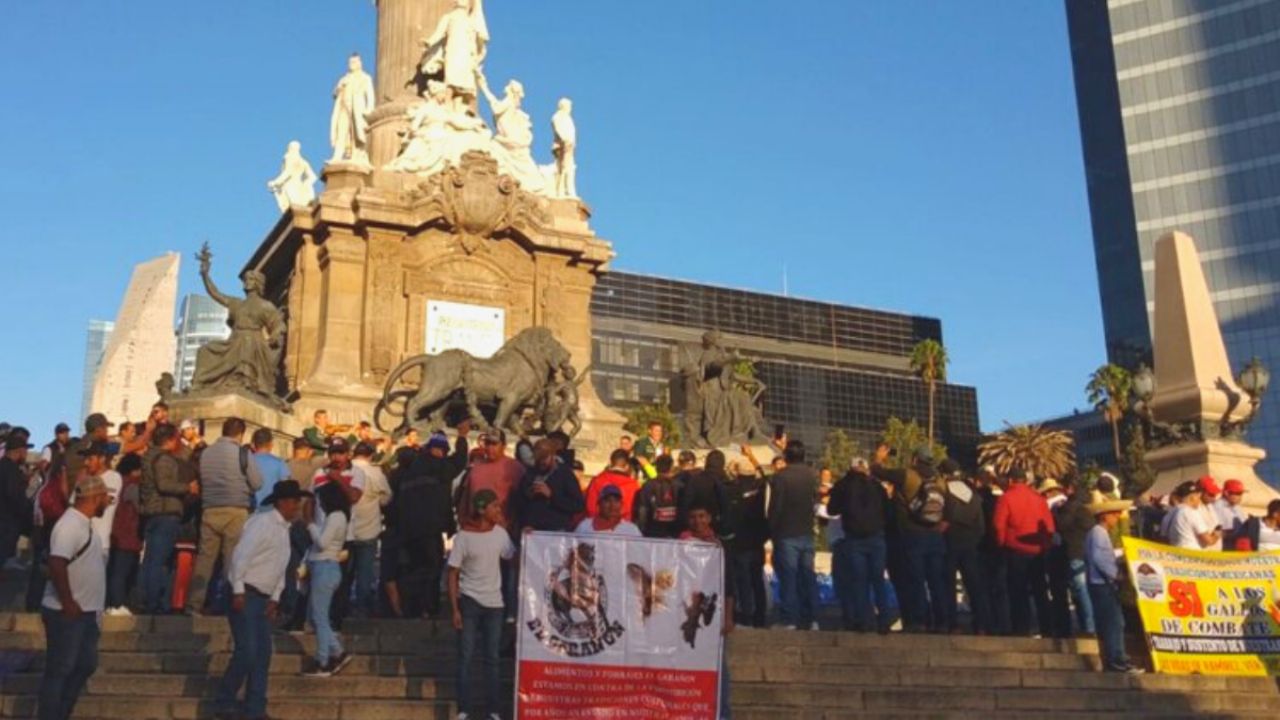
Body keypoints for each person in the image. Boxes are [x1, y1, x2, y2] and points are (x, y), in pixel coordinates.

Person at [215, 479, 308, 720]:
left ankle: (255, 708)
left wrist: (275, 597)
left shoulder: (283, 530)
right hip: (246, 591)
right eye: (296, 502)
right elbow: (241, 557)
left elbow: (279, 567)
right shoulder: (262, 523)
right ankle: (225, 699)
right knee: (248, 650)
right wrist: (237, 589)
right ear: (284, 502)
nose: (298, 507)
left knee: (262, 653)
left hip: (264, 595)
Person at [37, 473, 112, 720]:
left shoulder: (84, 524)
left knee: (85, 665)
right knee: (60, 669)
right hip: (66, 612)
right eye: (105, 498)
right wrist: (67, 601)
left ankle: (60, 713)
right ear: (95, 497)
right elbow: (57, 562)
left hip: (86, 611)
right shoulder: (69, 525)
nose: (107, 503)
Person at [449, 489, 515, 720]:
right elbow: (453, 573)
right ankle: (464, 707)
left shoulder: (500, 534)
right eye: (494, 507)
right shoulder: (464, 536)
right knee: (466, 656)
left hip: (494, 603)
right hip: (469, 601)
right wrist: (455, 608)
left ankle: (494, 709)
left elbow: (512, 557)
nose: (498, 511)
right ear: (481, 509)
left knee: (492, 657)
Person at [190, 418, 264, 614]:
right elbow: (257, 483)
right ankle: (227, 603)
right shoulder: (242, 453)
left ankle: (194, 603)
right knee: (232, 560)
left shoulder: (206, 453)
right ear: (240, 434)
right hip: (236, 510)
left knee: (205, 559)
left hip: (209, 509)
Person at [874, 448, 949, 633]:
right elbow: (948, 506)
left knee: (915, 580)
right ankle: (942, 622)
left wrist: (878, 458)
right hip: (935, 535)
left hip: (912, 534)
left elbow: (878, 472)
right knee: (936, 582)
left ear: (915, 459)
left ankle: (919, 621)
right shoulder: (940, 480)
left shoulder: (907, 475)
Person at [400, 429, 468, 618]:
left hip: (409, 529)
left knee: (414, 569)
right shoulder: (438, 467)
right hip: (429, 528)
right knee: (431, 568)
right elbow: (459, 461)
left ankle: (412, 609)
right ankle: (429, 608)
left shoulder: (412, 468)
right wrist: (462, 437)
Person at [680, 503, 733, 720]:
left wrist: (728, 617)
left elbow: (729, 586)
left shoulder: (719, 547)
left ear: (709, 518)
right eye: (693, 517)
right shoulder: (679, 545)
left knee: (720, 671)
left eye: (702, 516)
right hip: (686, 616)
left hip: (712, 617)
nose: (698, 521)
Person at [994, 468, 1055, 637]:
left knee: (1018, 591)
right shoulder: (1039, 499)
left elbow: (999, 525)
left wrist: (1001, 543)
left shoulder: (1006, 498)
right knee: (1040, 590)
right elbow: (1049, 526)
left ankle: (1021, 627)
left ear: (1011, 481)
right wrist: (1045, 546)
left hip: (1015, 549)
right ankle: (1046, 627)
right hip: (1037, 551)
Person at [1084, 497, 1143, 674]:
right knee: (1114, 622)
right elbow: (1099, 558)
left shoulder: (1097, 533)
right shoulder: (1098, 533)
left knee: (1114, 622)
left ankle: (1117, 657)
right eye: (1114, 515)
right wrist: (1116, 575)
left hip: (1100, 583)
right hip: (1103, 584)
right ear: (1104, 516)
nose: (1116, 518)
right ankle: (1117, 659)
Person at [139, 423, 192, 614]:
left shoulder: (149, 456)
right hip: (165, 512)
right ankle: (154, 602)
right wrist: (188, 488)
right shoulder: (164, 459)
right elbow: (164, 484)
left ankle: (151, 599)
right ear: (169, 440)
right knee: (158, 561)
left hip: (153, 513)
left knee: (152, 560)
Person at [769, 440, 819, 631]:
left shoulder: (781, 477)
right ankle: (813, 618)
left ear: (786, 456)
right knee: (808, 576)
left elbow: (776, 507)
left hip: (786, 533)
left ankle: (789, 619)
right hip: (806, 531)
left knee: (788, 577)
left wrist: (772, 529)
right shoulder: (811, 475)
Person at [303, 482, 353, 677]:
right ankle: (337, 651)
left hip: (326, 566)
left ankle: (323, 660)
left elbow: (323, 543)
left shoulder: (336, 517)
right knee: (317, 617)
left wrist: (310, 525)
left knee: (320, 617)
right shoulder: (335, 517)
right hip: (322, 567)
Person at [941, 460, 990, 634]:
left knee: (948, 584)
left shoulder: (945, 492)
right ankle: (981, 625)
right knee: (975, 586)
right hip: (971, 544)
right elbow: (981, 526)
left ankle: (952, 624)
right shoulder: (974, 495)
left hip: (949, 542)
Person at [722, 456, 769, 628]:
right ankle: (760, 615)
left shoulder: (734, 489)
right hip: (757, 541)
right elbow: (766, 477)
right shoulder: (761, 487)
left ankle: (745, 614)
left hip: (740, 541)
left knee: (742, 580)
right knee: (757, 579)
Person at [348, 441, 393, 617]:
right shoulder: (375, 473)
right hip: (369, 529)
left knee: (346, 571)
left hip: (346, 530)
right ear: (371, 455)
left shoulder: (347, 471)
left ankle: (342, 605)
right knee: (365, 572)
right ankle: (362, 608)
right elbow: (387, 497)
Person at [1052, 478, 1096, 637]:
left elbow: (1063, 525)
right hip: (1085, 551)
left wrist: (1057, 513)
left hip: (1074, 551)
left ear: (1070, 488)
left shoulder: (1070, 507)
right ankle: (1088, 625)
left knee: (1080, 590)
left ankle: (1089, 626)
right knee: (1083, 590)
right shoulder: (1087, 506)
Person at [516, 438, 585, 534]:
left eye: (544, 458)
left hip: (556, 532)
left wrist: (552, 495)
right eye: (538, 459)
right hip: (533, 532)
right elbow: (520, 504)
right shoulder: (530, 474)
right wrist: (526, 523)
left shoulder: (564, 474)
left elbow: (578, 505)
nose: (541, 462)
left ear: (553, 455)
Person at [105, 454, 144, 616]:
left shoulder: (117, 481)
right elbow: (140, 509)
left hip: (115, 532)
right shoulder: (132, 486)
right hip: (128, 534)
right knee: (122, 572)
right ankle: (117, 603)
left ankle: (112, 602)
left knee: (115, 570)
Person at [0, 434, 33, 568]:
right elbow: (14, 496)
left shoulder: (3, 466)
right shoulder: (12, 470)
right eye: (25, 450)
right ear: (19, 451)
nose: (26, 454)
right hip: (6, 523)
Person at [584, 449, 641, 521]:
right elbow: (635, 510)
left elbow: (590, 506)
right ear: (627, 466)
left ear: (610, 463)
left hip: (598, 526)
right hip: (623, 528)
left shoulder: (597, 481)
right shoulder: (633, 485)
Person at [634, 455, 682, 539]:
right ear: (671, 468)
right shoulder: (679, 486)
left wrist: (642, 530)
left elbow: (642, 511)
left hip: (652, 533)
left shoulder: (648, 485)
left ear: (656, 468)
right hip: (674, 532)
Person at [1166, 481, 1221, 550]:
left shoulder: (1170, 513)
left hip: (1175, 553)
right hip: (1192, 555)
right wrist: (1216, 535)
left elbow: (1163, 538)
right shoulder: (1191, 513)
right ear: (1192, 497)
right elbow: (1209, 541)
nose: (1199, 500)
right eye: (1198, 497)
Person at [575, 485, 642, 536]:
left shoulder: (631, 530)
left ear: (621, 504)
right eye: (607, 500)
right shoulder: (585, 526)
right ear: (599, 504)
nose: (612, 505)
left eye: (616, 501)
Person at [250, 429, 291, 510]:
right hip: (272, 512)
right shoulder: (280, 463)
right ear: (271, 444)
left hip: (250, 512)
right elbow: (286, 491)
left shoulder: (246, 461)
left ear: (253, 444)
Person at [1214, 479, 1249, 547]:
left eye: (1241, 494)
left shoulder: (1237, 507)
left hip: (1238, 544)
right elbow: (1216, 531)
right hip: (1224, 545)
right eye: (1238, 493)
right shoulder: (1218, 507)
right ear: (1226, 493)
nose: (1240, 497)